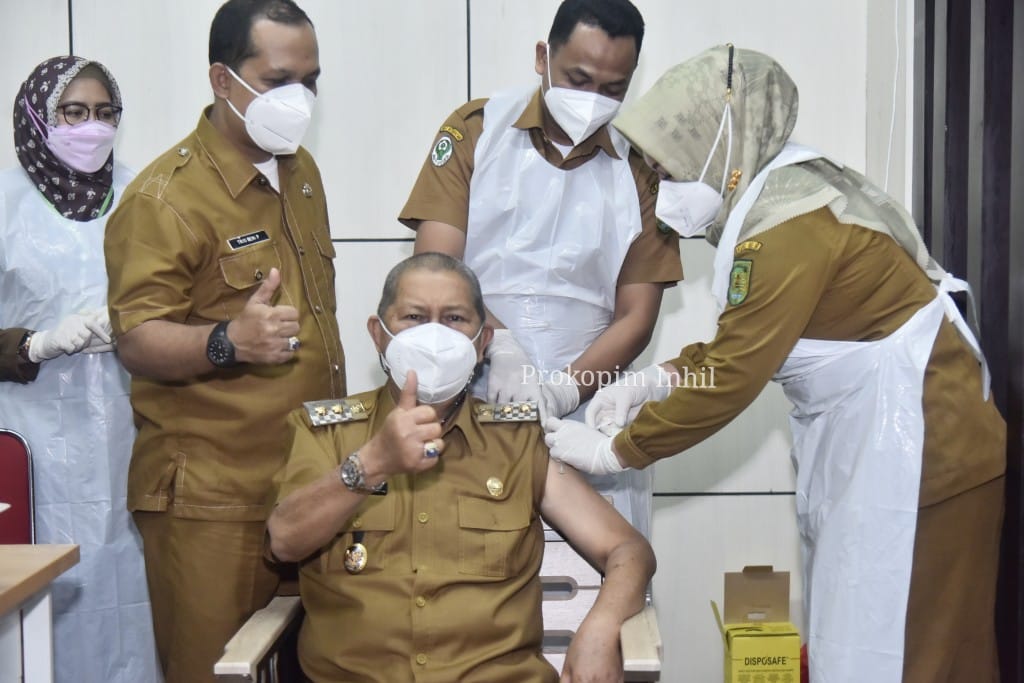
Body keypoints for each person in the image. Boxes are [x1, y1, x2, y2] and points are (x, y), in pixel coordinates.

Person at [544, 45, 1006, 682]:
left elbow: (737, 372)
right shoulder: (779, 198)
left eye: (671, 171)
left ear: (721, 150)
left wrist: (617, 451)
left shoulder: (788, 227)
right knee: (879, 635)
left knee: (916, 649)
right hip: (890, 439)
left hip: (924, 449)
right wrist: (657, 381)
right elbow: (742, 343)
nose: (661, 189)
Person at [268, 252, 655, 682]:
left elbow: (628, 550)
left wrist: (601, 629)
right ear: (379, 335)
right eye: (414, 317)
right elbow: (284, 540)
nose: (434, 335)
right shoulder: (326, 433)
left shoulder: (517, 441)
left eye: (454, 319)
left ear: (483, 341)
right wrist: (372, 463)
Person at [102, 2, 344, 680]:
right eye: (278, 81)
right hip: (211, 504)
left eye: (311, 81)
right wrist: (227, 341)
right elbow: (136, 338)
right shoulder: (164, 198)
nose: (299, 99)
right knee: (214, 672)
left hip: (305, 486)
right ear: (221, 79)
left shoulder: (300, 172)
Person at [399, 0, 682, 539]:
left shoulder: (642, 166)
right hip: (476, 385)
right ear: (542, 58)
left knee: (602, 562)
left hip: (589, 402)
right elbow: (434, 272)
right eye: (578, 78)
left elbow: (637, 316)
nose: (592, 99)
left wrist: (563, 391)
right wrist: (501, 348)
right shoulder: (477, 131)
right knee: (472, 556)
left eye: (613, 88)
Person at [0, 56, 161, 683]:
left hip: (133, 426)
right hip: (32, 440)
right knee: (47, 580)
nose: (91, 127)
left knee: (132, 577)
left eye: (104, 112)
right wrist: (35, 344)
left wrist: (142, 326)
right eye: (73, 112)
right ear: (38, 116)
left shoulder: (148, 194)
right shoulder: (5, 205)